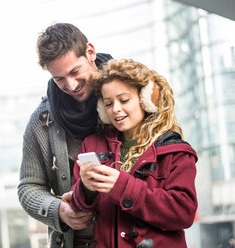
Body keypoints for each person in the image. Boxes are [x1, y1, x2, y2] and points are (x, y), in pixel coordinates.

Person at [70, 59, 198, 247]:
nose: (115, 109)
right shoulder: (92, 145)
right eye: (108, 103)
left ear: (145, 99)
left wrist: (122, 187)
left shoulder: (175, 151)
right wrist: (86, 188)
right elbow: (77, 206)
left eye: (124, 100)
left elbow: (184, 212)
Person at [17, 23, 113, 248]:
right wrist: (57, 210)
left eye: (75, 71)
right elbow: (28, 187)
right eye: (59, 79)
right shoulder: (41, 121)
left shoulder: (129, 99)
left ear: (90, 52)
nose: (71, 85)